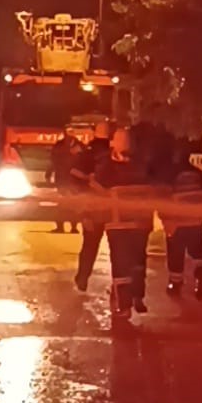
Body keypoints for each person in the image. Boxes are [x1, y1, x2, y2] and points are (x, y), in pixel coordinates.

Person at [91, 127, 155, 326]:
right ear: (113, 143)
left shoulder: (143, 164)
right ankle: (123, 304)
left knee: (138, 262)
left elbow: (153, 189)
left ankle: (137, 296)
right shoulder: (105, 166)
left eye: (128, 140)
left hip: (140, 223)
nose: (126, 143)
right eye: (121, 139)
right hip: (117, 224)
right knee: (121, 264)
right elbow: (97, 191)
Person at [164, 144, 202, 298]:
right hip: (196, 223)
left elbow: (165, 200)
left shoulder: (171, 177)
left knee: (175, 254)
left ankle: (175, 284)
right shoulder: (200, 175)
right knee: (198, 253)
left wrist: (166, 219)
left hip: (177, 224)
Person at [73, 123, 110, 292]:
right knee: (118, 250)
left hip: (92, 210)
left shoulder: (86, 154)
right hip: (113, 211)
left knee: (89, 246)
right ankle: (121, 286)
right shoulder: (114, 154)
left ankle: (82, 277)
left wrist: (84, 213)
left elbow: (75, 177)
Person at [48, 134, 78, 233]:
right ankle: (62, 226)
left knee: (71, 205)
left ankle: (72, 227)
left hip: (73, 179)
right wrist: (49, 172)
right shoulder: (60, 146)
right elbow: (54, 160)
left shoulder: (78, 145)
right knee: (63, 204)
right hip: (63, 179)